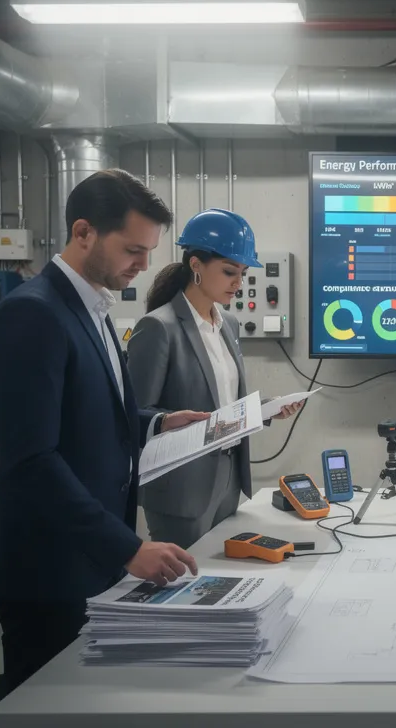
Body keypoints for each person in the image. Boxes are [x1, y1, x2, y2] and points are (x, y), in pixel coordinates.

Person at [0, 169, 209, 691]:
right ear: (83, 233)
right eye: (133, 249)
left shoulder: (95, 308)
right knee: (51, 708)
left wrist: (157, 421)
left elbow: (88, 412)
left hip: (88, 557)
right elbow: (31, 461)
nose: (145, 265)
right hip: (46, 567)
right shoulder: (31, 315)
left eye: (149, 251)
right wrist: (126, 547)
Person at [127, 209, 303, 549]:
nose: (239, 283)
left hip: (228, 479)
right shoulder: (158, 327)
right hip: (181, 488)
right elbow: (132, 413)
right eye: (228, 272)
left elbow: (223, 406)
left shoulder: (229, 324)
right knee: (183, 586)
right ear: (195, 265)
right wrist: (165, 421)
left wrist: (265, 410)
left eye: (243, 273)